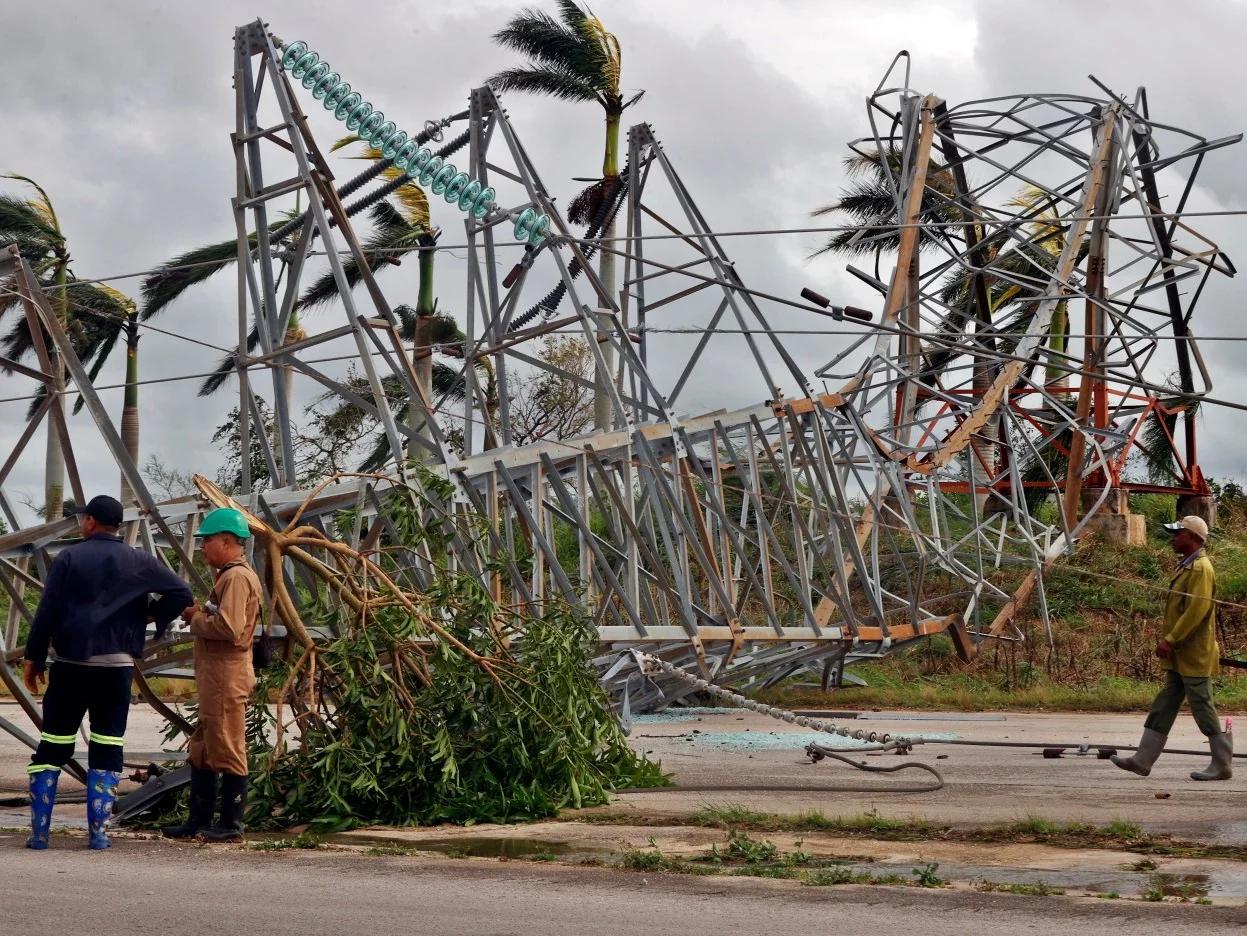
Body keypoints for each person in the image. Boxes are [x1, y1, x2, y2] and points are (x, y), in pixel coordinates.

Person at [23, 494, 193, 850]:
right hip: (116, 670)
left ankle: (40, 834)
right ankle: (98, 834)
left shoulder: (69, 557)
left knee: (53, 743)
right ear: (116, 526)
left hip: (71, 666)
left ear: (90, 522)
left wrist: (34, 657)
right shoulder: (139, 560)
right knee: (107, 744)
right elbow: (181, 592)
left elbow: (47, 611)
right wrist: (149, 615)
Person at [162, 507, 262, 843]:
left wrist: (194, 618)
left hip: (227, 675)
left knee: (229, 748)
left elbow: (230, 628)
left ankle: (231, 822)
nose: (203, 547)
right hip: (216, 676)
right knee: (203, 747)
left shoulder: (236, 577)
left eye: (207, 541)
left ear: (227, 541)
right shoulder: (229, 576)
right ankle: (198, 819)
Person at [1111, 515, 1231, 781]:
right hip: (1182, 654)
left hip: (1193, 652)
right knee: (1165, 703)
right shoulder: (1187, 567)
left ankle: (1222, 764)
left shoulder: (1200, 568)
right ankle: (1142, 760)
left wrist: (1171, 639)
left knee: (1202, 705)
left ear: (1195, 537)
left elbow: (1195, 611)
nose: (1173, 537)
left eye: (1179, 533)